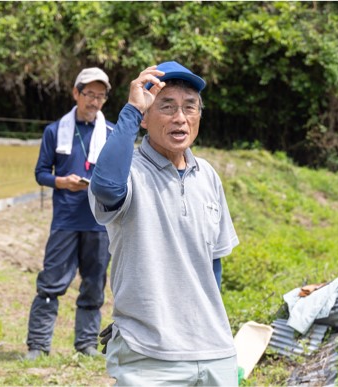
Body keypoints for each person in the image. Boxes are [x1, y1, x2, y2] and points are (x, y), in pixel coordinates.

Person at [88, 61, 240, 385]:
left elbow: (213, 265)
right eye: (166, 107)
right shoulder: (128, 171)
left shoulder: (208, 177)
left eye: (189, 107)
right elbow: (105, 188)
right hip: (149, 352)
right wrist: (130, 110)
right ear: (145, 117)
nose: (180, 118)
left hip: (214, 350)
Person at [25, 67, 114, 360]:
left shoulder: (112, 133)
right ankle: (38, 345)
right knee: (51, 282)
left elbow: (119, 174)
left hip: (99, 222)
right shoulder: (54, 131)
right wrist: (61, 182)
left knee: (94, 284)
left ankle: (87, 344)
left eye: (101, 96)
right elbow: (41, 173)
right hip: (65, 218)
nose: (95, 101)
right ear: (76, 93)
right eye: (90, 94)